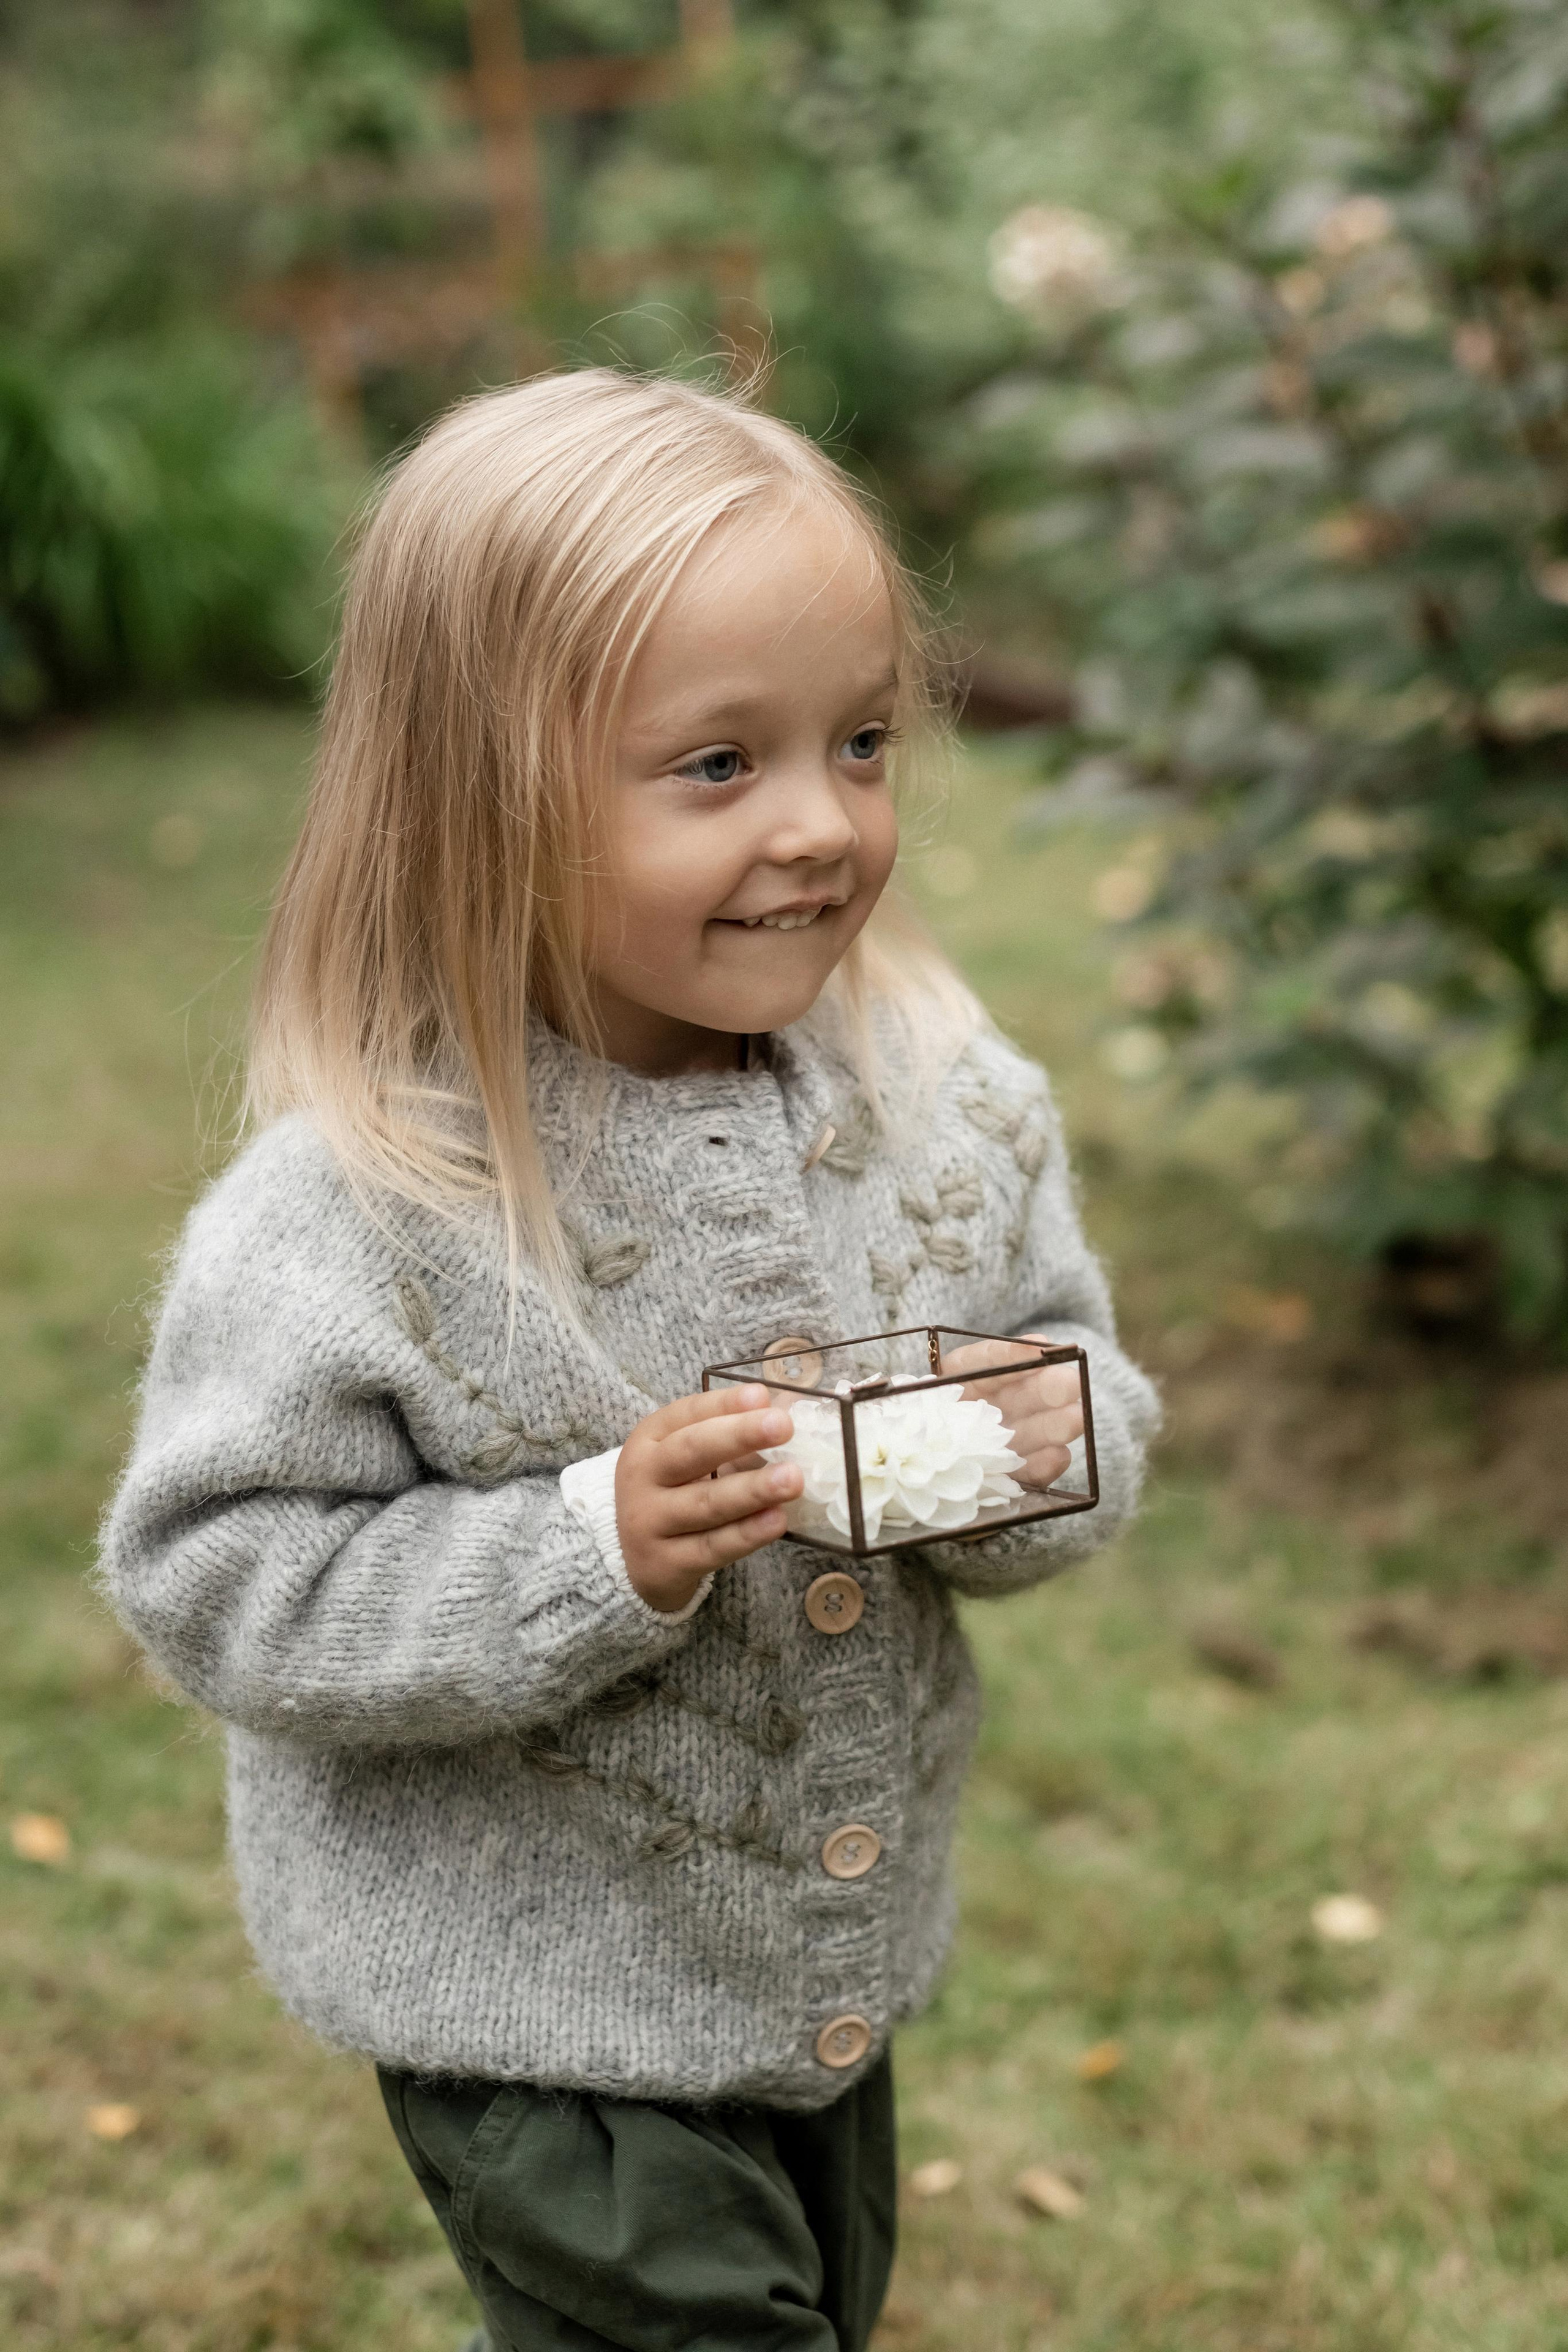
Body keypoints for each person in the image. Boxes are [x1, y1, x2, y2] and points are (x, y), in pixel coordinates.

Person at [99, 366, 1159, 2351]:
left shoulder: (946, 1110)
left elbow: (1072, 1377)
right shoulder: (364, 1207)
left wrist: (1033, 1445)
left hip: (815, 1981)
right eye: (716, 766)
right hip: (545, 2018)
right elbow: (219, 1581)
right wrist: (599, 1549)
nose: (824, 826)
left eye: (860, 743)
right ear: (478, 797)